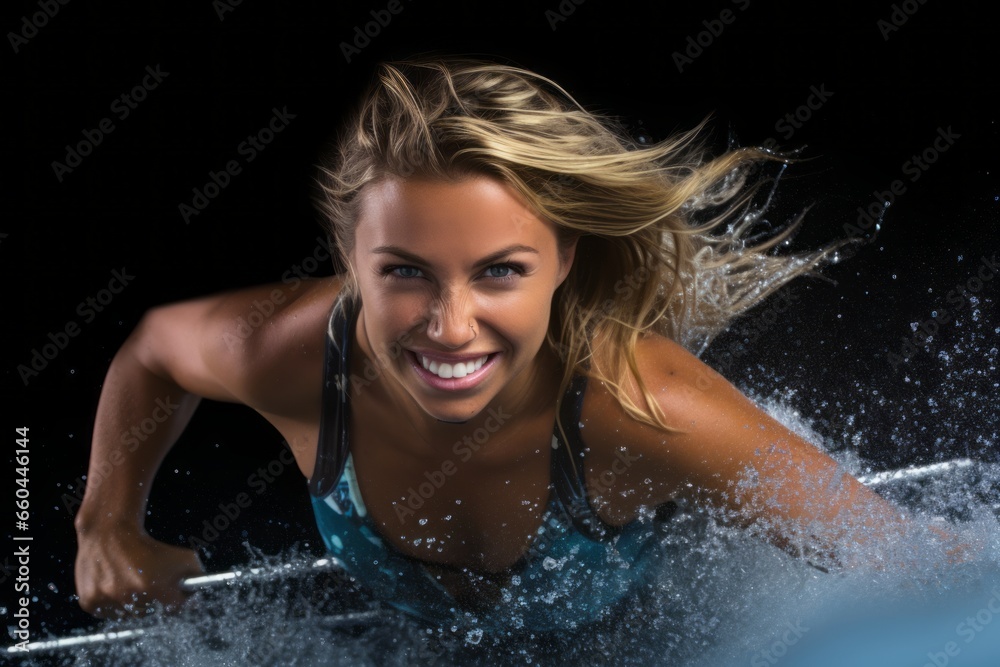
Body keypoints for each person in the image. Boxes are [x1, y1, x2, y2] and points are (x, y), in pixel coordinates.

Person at [73, 56, 941, 632]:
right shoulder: (291, 355)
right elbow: (152, 349)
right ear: (348, 259)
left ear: (565, 257)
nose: (449, 327)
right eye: (405, 272)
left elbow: (918, 569)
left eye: (499, 272)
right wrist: (103, 520)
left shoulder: (649, 409)